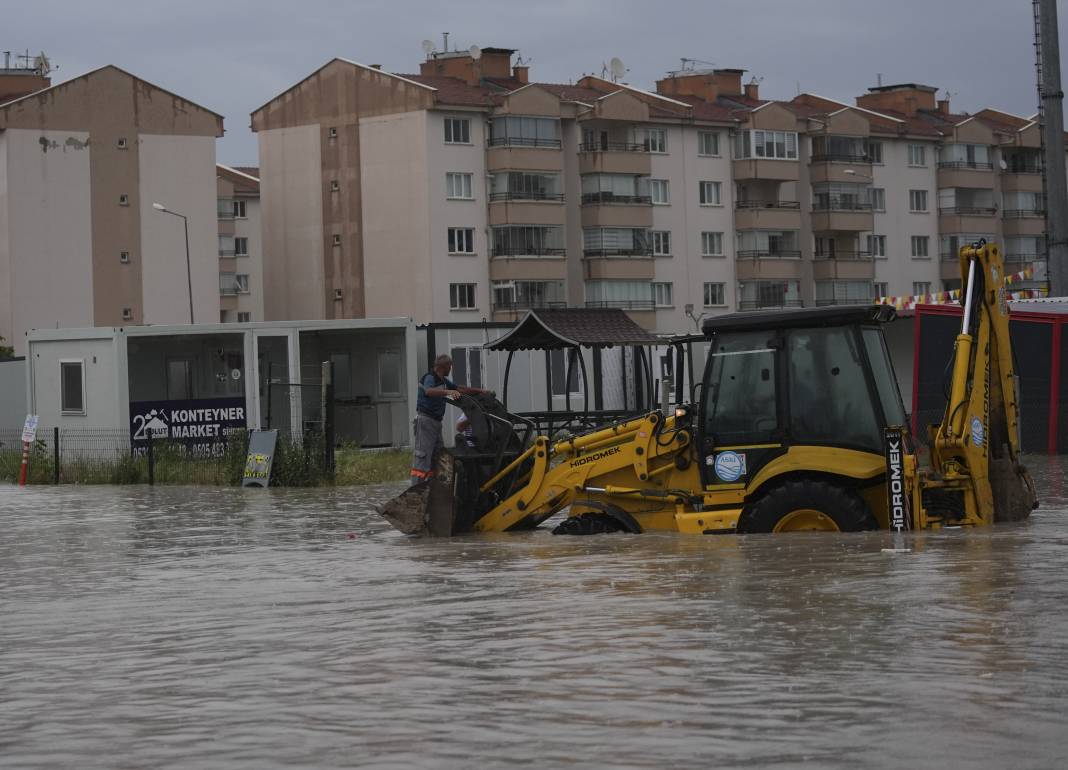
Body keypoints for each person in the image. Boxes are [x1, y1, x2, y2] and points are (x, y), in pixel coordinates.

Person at [411, 354, 489, 483]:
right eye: (450, 366)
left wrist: (480, 391)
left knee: (438, 456)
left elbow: (460, 389)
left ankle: (432, 487)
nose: (451, 368)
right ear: (444, 366)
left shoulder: (443, 381)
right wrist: (448, 392)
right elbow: (429, 391)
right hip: (426, 421)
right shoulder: (430, 377)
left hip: (436, 422)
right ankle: (415, 491)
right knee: (422, 457)